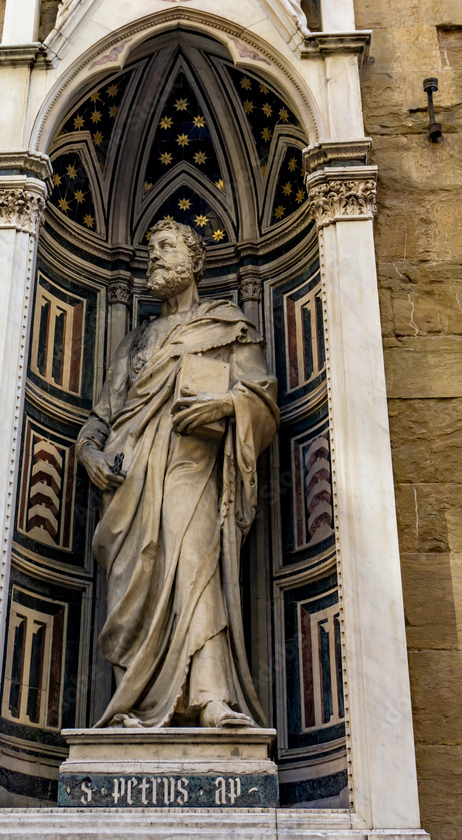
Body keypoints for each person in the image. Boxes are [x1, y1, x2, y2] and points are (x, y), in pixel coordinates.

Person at [76, 219, 278, 728]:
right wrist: (89, 454)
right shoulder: (134, 342)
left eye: (166, 247)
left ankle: (211, 697)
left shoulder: (228, 325)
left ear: (194, 259)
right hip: (130, 474)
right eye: (150, 249)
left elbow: (262, 399)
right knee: (135, 577)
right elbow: (100, 420)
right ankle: (135, 701)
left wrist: (224, 406)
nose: (155, 257)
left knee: (193, 561)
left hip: (193, 463)